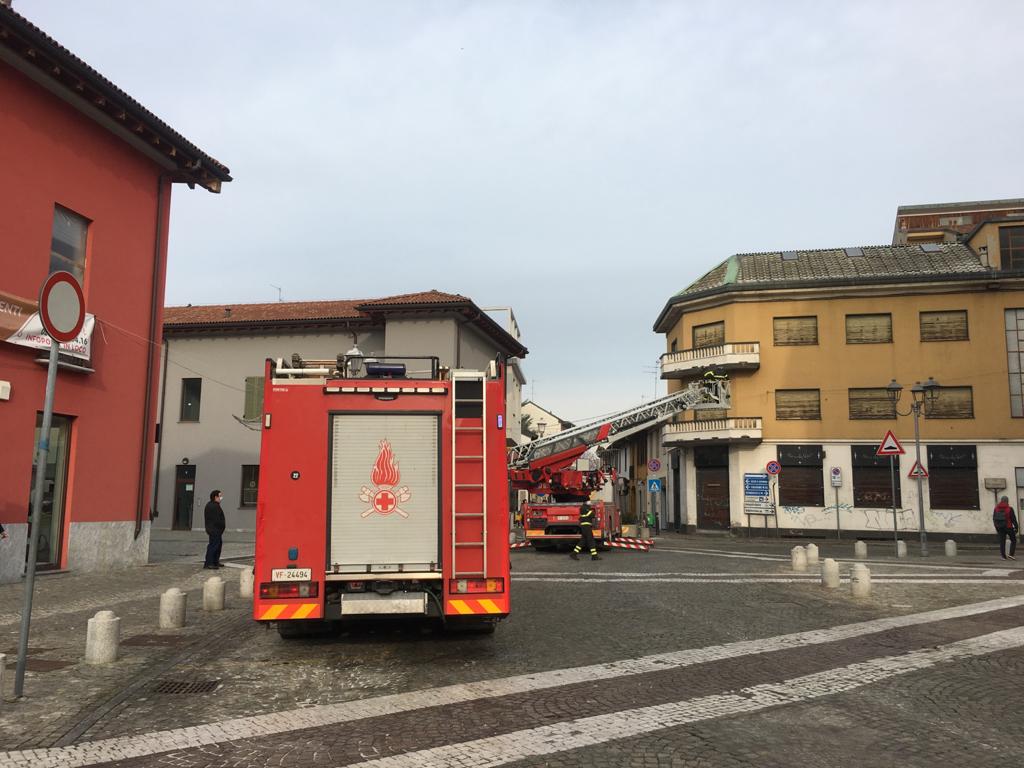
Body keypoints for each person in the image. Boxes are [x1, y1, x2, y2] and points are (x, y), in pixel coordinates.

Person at [204, 490, 226, 569]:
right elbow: (216, 520)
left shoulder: (214, 505)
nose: (221, 498)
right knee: (213, 546)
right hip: (214, 530)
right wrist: (221, 527)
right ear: (215, 497)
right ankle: (209, 563)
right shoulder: (212, 506)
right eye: (220, 496)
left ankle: (215, 561)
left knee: (218, 546)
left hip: (216, 530)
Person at [993, 495, 1018, 560]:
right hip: (1009, 527)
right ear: (1007, 501)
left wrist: (997, 528)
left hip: (1000, 527)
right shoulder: (1010, 509)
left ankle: (1003, 556)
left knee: (1002, 541)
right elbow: (1013, 519)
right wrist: (1016, 527)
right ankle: (1011, 554)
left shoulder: (996, 509)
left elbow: (994, 519)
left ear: (1001, 500)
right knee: (1013, 540)